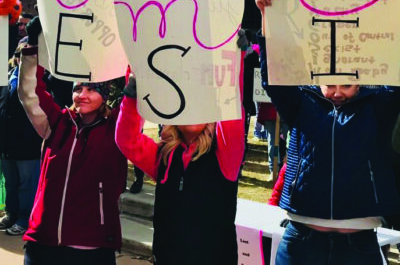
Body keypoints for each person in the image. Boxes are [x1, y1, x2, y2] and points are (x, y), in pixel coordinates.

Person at [255, 0, 400, 265]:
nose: (337, 92)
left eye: (346, 85)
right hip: (301, 242)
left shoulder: (377, 107)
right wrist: (267, 17)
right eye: (329, 85)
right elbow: (273, 76)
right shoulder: (301, 105)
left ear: (360, 82)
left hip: (359, 245)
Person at [115, 49, 246, 265]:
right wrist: (134, 91)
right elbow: (126, 139)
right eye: (185, 102)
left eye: (199, 102)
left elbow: (231, 109)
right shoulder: (164, 156)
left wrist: (233, 58)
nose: (192, 110)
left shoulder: (225, 154)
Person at [17, 18, 127, 265]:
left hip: (93, 247)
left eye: (92, 89)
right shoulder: (57, 123)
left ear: (105, 94)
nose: (83, 95)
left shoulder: (117, 129)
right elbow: (29, 92)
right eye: (78, 89)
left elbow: (136, 103)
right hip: (42, 242)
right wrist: (35, 46)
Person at [0, 43, 42, 235]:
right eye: (18, 54)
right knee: (11, 182)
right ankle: (11, 213)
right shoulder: (9, 76)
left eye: (24, 55)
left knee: (27, 184)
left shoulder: (38, 79)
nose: (20, 58)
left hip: (27, 144)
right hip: (7, 143)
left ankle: (25, 218)